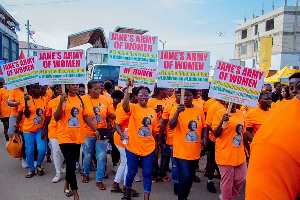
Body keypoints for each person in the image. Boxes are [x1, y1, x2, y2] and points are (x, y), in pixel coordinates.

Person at [246, 79, 300, 200]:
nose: (269, 100)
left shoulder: (276, 111)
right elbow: (247, 132)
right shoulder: (281, 115)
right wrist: (254, 145)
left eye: (270, 97)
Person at [54, 84, 99, 200]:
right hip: (65, 137)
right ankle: (75, 192)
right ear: (67, 86)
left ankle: (66, 184)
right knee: (71, 164)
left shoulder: (80, 99)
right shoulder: (62, 98)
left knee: (71, 164)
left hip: (77, 137)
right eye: (72, 85)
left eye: (76, 85)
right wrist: (60, 102)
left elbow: (85, 117)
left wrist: (95, 130)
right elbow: (56, 117)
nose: (75, 87)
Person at [121, 79, 159, 200]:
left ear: (149, 96)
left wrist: (156, 147)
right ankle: (127, 192)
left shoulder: (153, 111)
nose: (144, 97)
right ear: (136, 97)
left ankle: (146, 197)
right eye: (141, 95)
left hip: (148, 148)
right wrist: (128, 90)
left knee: (147, 173)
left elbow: (154, 131)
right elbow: (125, 106)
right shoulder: (133, 108)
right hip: (132, 147)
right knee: (131, 172)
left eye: (146, 95)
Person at [169, 88, 207, 200]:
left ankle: (184, 196)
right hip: (181, 151)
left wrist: (205, 138)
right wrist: (177, 112)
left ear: (193, 96)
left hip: (195, 151)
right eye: (183, 96)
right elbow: (171, 126)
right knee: (186, 176)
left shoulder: (199, 110)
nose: (185, 98)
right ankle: (181, 198)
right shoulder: (176, 109)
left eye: (188, 95)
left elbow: (204, 126)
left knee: (190, 178)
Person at [81, 80, 116, 191]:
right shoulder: (83, 100)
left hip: (102, 133)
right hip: (88, 133)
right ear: (89, 89)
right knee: (87, 155)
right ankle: (86, 173)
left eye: (100, 88)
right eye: (95, 89)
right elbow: (84, 116)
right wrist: (94, 129)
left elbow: (110, 114)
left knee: (101, 156)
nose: (98, 91)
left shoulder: (105, 100)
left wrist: (121, 114)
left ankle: (99, 180)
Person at [212, 103, 248, 200]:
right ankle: (226, 197)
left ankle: (226, 196)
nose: (231, 102)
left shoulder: (240, 113)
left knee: (242, 178)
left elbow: (243, 133)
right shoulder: (219, 114)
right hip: (224, 152)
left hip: (239, 153)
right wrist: (222, 122)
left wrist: (248, 149)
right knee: (227, 181)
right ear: (224, 101)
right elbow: (215, 134)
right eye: (228, 100)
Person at [14, 84, 48, 178]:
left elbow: (47, 117)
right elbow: (24, 115)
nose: (36, 90)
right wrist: (25, 102)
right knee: (30, 149)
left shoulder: (45, 100)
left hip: (40, 129)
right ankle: (31, 170)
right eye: (33, 88)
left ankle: (39, 165)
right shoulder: (25, 99)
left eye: (38, 88)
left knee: (41, 149)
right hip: (28, 130)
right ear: (30, 90)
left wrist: (44, 129)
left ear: (41, 89)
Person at [111, 87, 139, 196]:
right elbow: (117, 124)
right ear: (134, 96)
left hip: (124, 138)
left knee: (124, 162)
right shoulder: (125, 107)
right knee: (128, 163)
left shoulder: (130, 106)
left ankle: (116, 184)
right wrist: (123, 135)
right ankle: (125, 187)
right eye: (139, 95)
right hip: (123, 139)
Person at [158, 88, 181, 195]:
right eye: (179, 94)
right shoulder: (169, 106)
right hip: (172, 140)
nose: (181, 97)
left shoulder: (192, 107)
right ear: (175, 95)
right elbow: (163, 123)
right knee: (175, 164)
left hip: (186, 142)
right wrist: (159, 139)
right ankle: (176, 183)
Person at [147, 86, 170, 183]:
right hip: (153, 131)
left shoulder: (168, 101)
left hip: (165, 132)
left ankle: (163, 173)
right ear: (160, 91)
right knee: (154, 153)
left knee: (165, 154)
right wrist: (155, 111)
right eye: (166, 90)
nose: (168, 92)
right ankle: (154, 173)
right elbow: (146, 116)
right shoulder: (151, 102)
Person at [42, 85, 64, 183]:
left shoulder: (69, 100)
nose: (59, 90)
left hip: (65, 130)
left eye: (61, 88)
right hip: (54, 130)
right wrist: (44, 130)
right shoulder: (50, 102)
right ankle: (58, 173)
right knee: (56, 151)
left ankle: (61, 166)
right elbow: (47, 117)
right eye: (57, 88)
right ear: (53, 91)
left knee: (63, 150)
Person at [205, 99, 225, 193]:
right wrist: (217, 128)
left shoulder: (228, 106)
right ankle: (210, 180)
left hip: (226, 140)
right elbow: (207, 124)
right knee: (212, 159)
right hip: (214, 139)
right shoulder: (214, 107)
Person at [7, 87, 26, 167]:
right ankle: (17, 149)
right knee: (11, 133)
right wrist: (17, 103)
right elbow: (9, 102)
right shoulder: (14, 90)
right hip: (15, 115)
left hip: (26, 117)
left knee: (25, 137)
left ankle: (24, 157)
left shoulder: (28, 89)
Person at [0, 80, 12, 145]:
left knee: (12, 126)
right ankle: (7, 140)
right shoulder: (1, 90)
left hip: (12, 112)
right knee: (6, 125)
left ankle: (12, 139)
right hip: (4, 111)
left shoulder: (13, 90)